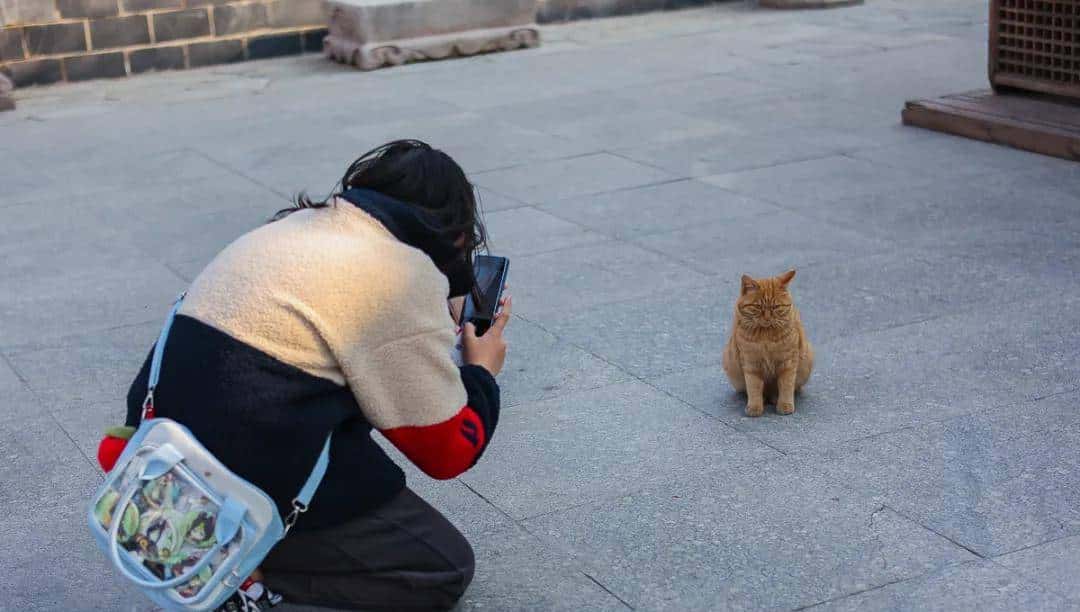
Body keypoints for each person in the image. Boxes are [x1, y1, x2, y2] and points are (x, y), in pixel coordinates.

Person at [106, 140, 510, 611]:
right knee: (443, 566)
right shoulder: (400, 273)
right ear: (456, 232)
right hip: (231, 479)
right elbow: (447, 453)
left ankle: (206, 543)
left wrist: (432, 319)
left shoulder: (295, 228)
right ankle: (244, 579)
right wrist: (480, 370)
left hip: (155, 455)